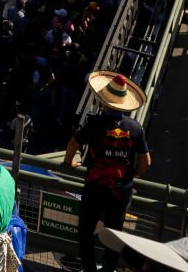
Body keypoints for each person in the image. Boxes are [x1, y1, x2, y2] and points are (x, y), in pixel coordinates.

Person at [66, 73, 151, 272]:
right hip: (121, 191)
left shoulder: (94, 124)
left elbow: (73, 143)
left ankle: (89, 269)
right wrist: (131, 175)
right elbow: (146, 161)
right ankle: (108, 270)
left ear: (104, 100)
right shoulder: (135, 128)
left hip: (95, 188)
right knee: (115, 235)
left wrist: (69, 161)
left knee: (86, 231)